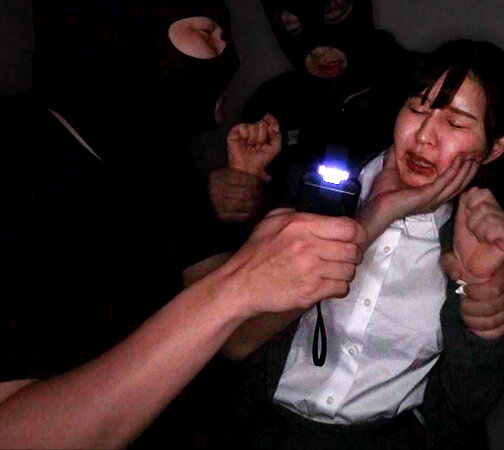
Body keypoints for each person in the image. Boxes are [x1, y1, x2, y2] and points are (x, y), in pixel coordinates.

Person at [0, 1, 366, 448]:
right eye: (206, 32)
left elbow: (235, 336)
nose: (229, 54)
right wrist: (236, 286)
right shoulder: (15, 157)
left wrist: (375, 214)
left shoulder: (159, 159)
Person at [222, 39, 504, 450]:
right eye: (418, 108)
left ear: (495, 146)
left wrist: (475, 292)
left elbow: (469, 403)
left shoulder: (478, 239)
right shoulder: (311, 185)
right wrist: (377, 212)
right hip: (265, 429)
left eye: (456, 124)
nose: (425, 136)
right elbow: (235, 336)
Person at [210, 0, 504, 286]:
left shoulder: (430, 82)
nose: (425, 135)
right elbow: (243, 272)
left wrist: (497, 282)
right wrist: (238, 197)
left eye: (333, 11)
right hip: (292, 310)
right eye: (292, 24)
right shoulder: (273, 101)